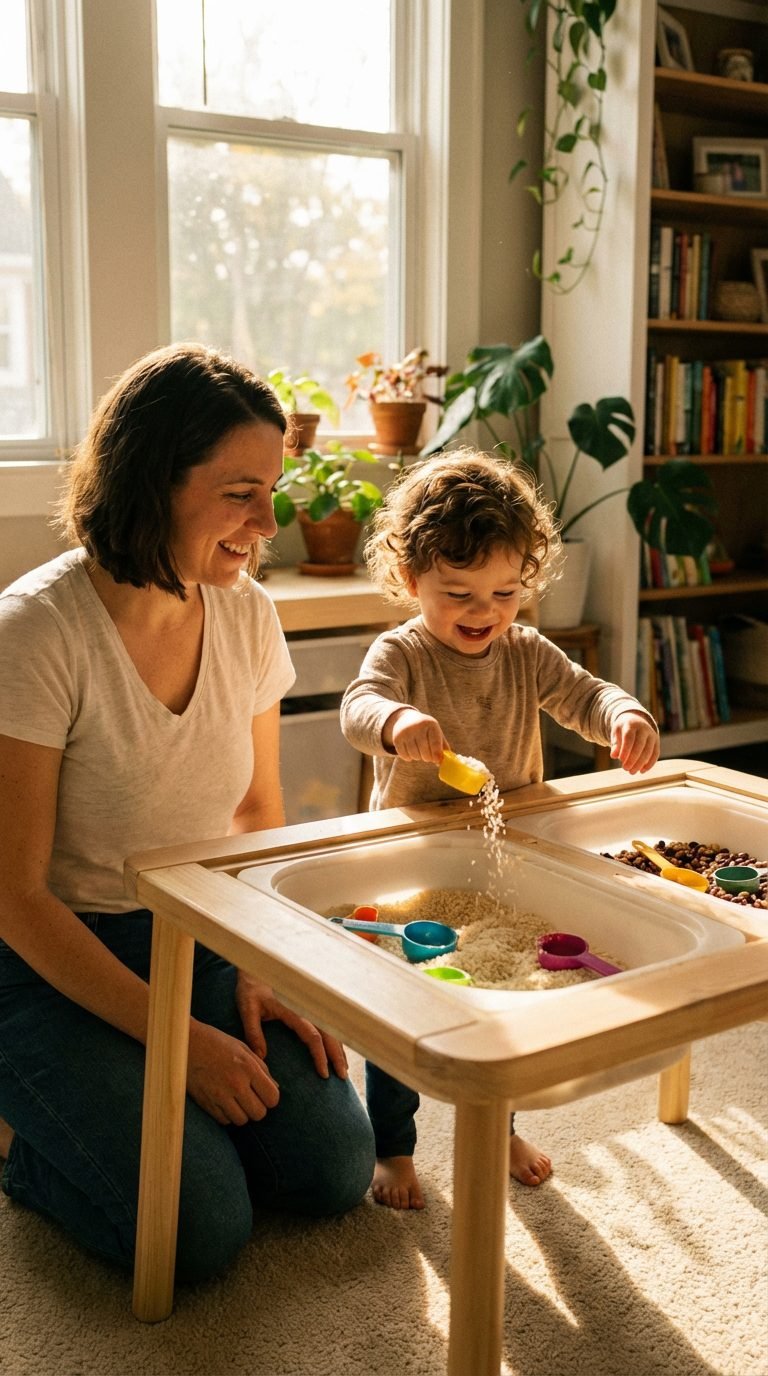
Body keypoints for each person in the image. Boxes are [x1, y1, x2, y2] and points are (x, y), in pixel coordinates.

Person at [0, 343, 375, 1282]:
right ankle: (18, 1141)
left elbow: (258, 817)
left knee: (333, 1169)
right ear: (153, 480)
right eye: (240, 492)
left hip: (194, 931)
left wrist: (261, 960)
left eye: (275, 489)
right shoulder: (36, 634)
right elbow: (14, 895)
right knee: (198, 1230)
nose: (270, 521)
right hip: (49, 960)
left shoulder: (245, 614)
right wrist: (176, 1041)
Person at [340, 448, 660, 1210]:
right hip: (417, 864)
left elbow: (585, 693)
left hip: (506, 855)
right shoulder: (404, 652)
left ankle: (501, 1125)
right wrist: (397, 720)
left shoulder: (524, 651)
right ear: (411, 578)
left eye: (505, 592)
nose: (483, 611)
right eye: (458, 592)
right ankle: (394, 1145)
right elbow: (359, 707)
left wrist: (625, 713)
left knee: (507, 998)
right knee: (403, 1009)